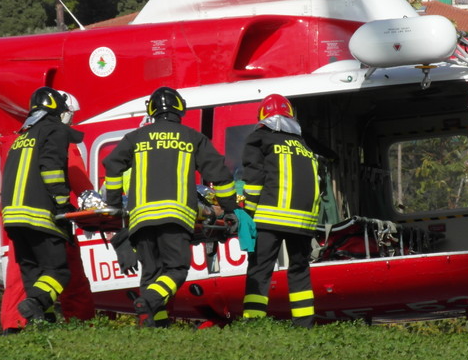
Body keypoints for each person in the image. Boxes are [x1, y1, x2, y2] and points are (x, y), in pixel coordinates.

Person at [102, 86, 238, 327]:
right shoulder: (192, 137)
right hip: (175, 218)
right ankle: (148, 302)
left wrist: (113, 206)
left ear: (152, 110)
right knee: (176, 270)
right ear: (180, 109)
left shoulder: (135, 138)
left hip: (141, 219)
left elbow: (112, 165)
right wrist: (229, 209)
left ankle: (155, 325)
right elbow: (220, 175)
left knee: (152, 274)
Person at [0, 91, 95, 332]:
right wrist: (66, 204)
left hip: (13, 219)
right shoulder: (55, 134)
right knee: (61, 273)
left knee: (26, 276)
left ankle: (28, 325)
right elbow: (61, 172)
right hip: (45, 216)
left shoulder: (20, 139)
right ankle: (75, 323)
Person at [241, 94, 320, 328]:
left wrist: (248, 213)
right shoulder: (304, 145)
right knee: (300, 270)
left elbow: (254, 180)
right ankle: (304, 324)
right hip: (303, 222)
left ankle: (254, 323)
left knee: (260, 270)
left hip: (269, 217)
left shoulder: (259, 138)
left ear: (262, 116)